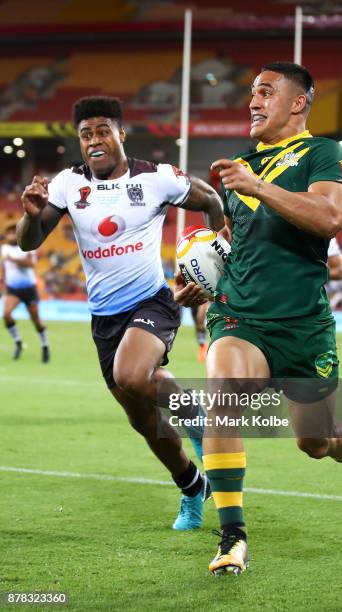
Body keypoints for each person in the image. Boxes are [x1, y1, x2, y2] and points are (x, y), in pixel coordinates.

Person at [175, 62, 342, 575]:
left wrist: (258, 186)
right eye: (252, 93)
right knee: (224, 391)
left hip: (303, 326)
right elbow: (236, 247)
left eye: (266, 92)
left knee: (314, 440)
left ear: (298, 102)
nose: (253, 102)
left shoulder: (322, 153)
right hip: (240, 316)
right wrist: (207, 280)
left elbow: (329, 217)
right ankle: (232, 536)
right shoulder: (241, 163)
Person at [17, 96, 224, 530]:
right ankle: (192, 486)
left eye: (102, 131)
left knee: (133, 376)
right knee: (143, 420)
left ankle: (195, 418)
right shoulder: (68, 184)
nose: (94, 140)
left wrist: (216, 260)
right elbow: (29, 242)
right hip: (104, 318)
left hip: (152, 301)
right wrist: (31, 217)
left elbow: (210, 200)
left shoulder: (157, 178)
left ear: (120, 133)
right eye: (85, 134)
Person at [1, 223, 50, 362]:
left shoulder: (27, 246)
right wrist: (3, 278)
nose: (10, 235)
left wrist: (14, 260)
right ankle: (18, 342)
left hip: (29, 288)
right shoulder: (4, 248)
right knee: (6, 315)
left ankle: (45, 345)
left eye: (12, 232)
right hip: (12, 288)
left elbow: (31, 264)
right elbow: (4, 265)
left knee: (35, 320)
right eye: (8, 233)